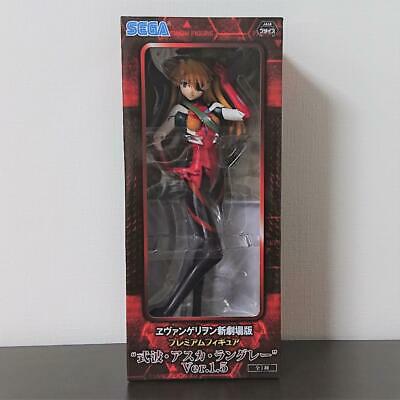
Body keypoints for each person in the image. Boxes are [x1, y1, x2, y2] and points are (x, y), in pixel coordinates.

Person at [151, 57, 250, 317]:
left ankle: (194, 312)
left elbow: (243, 114)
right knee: (213, 251)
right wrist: (170, 166)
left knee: (202, 248)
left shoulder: (215, 109)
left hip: (216, 180)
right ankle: (170, 307)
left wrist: (226, 84)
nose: (191, 90)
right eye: (186, 84)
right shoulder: (180, 112)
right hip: (195, 179)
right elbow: (158, 138)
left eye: (197, 84)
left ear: (206, 84)